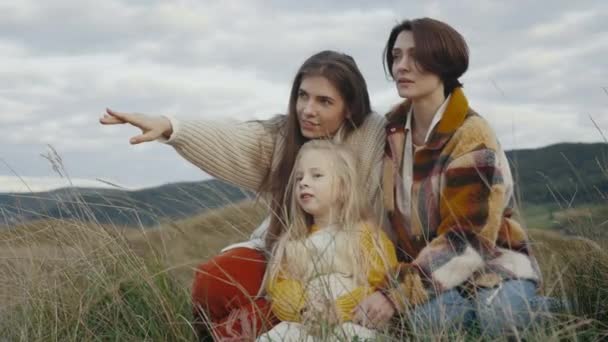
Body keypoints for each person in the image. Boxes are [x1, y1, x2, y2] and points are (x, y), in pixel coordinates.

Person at [99, 50, 387, 340]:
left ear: (349, 107)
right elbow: (237, 139)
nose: (307, 109)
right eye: (303, 96)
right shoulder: (285, 136)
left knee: (240, 328)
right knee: (214, 280)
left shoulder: (373, 138)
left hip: (346, 270)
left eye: (324, 101)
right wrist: (171, 127)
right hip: (287, 258)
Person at [352, 18, 546, 337]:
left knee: (498, 316)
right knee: (434, 322)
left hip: (490, 266)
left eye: (415, 56)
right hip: (429, 275)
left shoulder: (471, 133)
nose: (401, 66)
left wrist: (396, 293)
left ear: (443, 61)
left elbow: (467, 238)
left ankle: (559, 307)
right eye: (396, 56)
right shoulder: (391, 130)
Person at [257, 140, 397, 342]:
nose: (304, 182)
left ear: (343, 187)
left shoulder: (365, 234)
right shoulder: (293, 244)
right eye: (299, 178)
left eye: (317, 176)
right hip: (306, 324)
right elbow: (281, 289)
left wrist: (340, 309)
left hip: (354, 322)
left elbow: (383, 283)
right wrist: (305, 310)